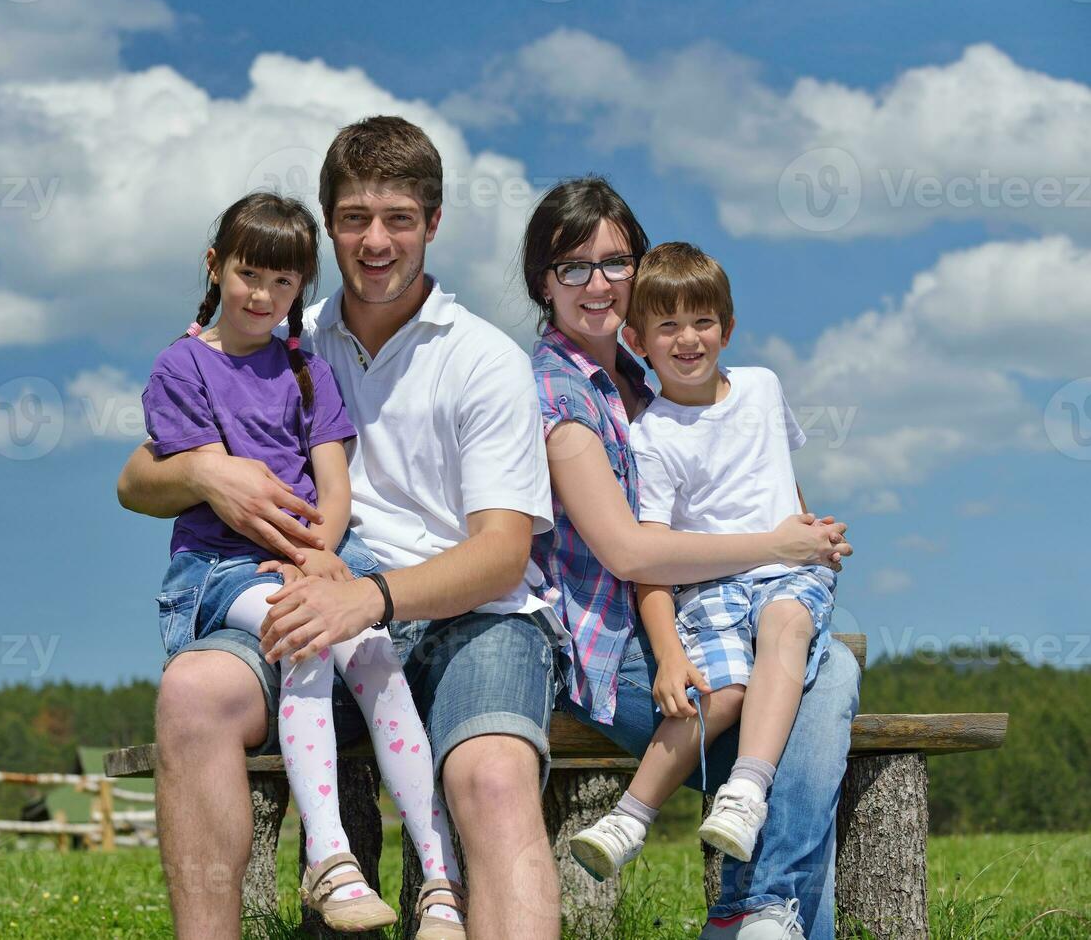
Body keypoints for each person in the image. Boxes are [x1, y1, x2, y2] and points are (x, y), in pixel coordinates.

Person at [119, 117, 560, 938]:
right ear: (329, 225)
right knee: (192, 694)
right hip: (306, 593)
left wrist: (367, 597)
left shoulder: (482, 358)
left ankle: (445, 891)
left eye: (398, 218)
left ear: (432, 224)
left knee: (494, 777)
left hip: (467, 617)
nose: (376, 239)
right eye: (354, 217)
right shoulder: (283, 332)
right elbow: (136, 481)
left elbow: (503, 555)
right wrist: (203, 473)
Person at [523, 177, 858, 940]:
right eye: (573, 267)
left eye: (615, 262)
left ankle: (756, 909)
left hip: (703, 614)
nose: (599, 282)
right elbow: (627, 549)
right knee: (822, 690)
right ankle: (759, 907)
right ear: (543, 283)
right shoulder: (556, 391)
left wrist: (804, 533)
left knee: (819, 676)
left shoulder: (646, 382)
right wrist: (779, 545)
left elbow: (754, 481)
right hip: (616, 652)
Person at [140, 191, 464, 936]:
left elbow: (334, 482)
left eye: (283, 283)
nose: (263, 295)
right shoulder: (181, 368)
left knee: (375, 655)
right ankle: (329, 857)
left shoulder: (305, 369)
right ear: (215, 266)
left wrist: (320, 556)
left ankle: (440, 881)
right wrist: (299, 570)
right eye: (249, 274)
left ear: (300, 290)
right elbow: (220, 490)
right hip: (225, 569)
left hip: (318, 550)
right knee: (305, 632)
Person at [568, 241, 838, 879]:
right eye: (667, 326)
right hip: (707, 589)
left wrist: (815, 536)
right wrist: (667, 653)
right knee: (714, 694)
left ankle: (746, 790)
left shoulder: (762, 389)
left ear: (729, 328)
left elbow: (782, 480)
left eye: (703, 322)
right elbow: (650, 562)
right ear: (637, 338)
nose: (688, 340)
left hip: (788, 572)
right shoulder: (651, 438)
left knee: (785, 627)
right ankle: (631, 817)